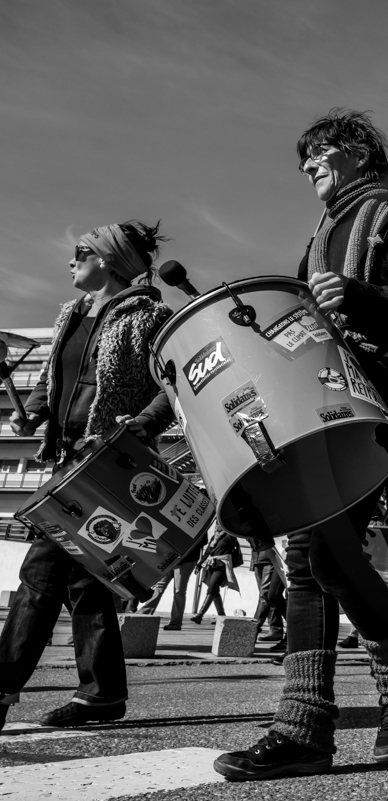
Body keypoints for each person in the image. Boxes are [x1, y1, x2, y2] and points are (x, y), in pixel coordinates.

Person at [215, 110, 388, 780]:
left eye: (320, 153)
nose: (308, 167)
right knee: (314, 559)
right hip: (315, 401)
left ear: (359, 154)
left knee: (317, 556)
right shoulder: (316, 242)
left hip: (377, 403)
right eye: (303, 160)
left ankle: (336, 713)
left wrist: (356, 295)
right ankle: (330, 716)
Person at [0, 221, 174, 729]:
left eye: (82, 251)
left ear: (112, 260)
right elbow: (61, 373)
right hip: (65, 454)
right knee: (85, 579)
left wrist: (142, 426)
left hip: (106, 460)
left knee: (40, 574)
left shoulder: (150, 315)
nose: (71, 260)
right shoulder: (72, 313)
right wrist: (33, 410)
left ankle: (2, 685)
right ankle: (101, 694)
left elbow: (174, 384)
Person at [138, 531, 207, 631]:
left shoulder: (198, 522)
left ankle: (175, 622)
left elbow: (203, 541)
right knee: (159, 587)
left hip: (187, 559)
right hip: (170, 558)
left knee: (179, 591)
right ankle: (143, 614)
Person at [191, 527, 241, 622]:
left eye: (220, 524)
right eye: (218, 524)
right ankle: (222, 617)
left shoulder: (230, 536)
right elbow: (207, 552)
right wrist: (199, 565)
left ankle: (199, 615)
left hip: (222, 565)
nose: (218, 526)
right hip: (211, 565)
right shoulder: (215, 537)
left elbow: (234, 531)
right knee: (215, 591)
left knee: (212, 588)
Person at [250, 537, 286, 643]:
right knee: (268, 597)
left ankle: (253, 629)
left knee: (265, 595)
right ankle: (276, 630)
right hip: (257, 558)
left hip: (269, 557)